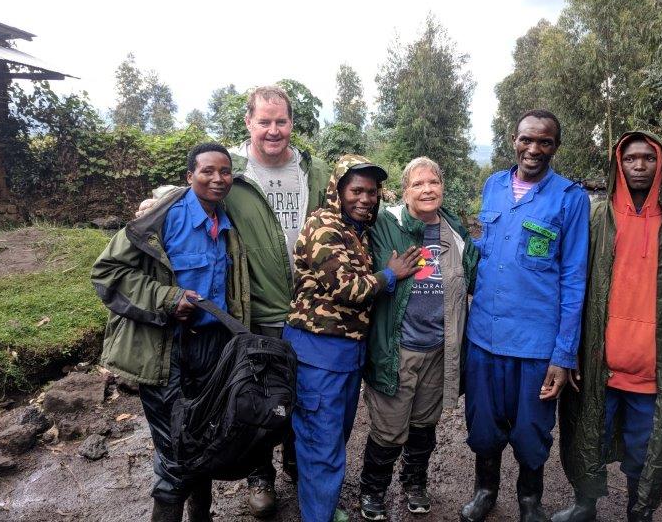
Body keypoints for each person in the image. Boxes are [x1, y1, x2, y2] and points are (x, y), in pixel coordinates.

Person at [138, 85, 329, 517]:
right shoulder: (234, 172)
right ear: (249, 123)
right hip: (251, 310)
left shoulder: (314, 173)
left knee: (303, 391)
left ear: (292, 123)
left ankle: (299, 466)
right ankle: (259, 474)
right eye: (264, 121)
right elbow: (193, 188)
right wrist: (158, 200)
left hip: (308, 308)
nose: (273, 130)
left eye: (281, 121)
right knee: (252, 394)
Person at [555, 131, 662, 522]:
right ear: (617, 165)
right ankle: (584, 504)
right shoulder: (595, 217)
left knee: (646, 452)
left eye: (648, 158)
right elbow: (571, 285)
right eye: (630, 159)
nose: (639, 166)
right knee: (586, 439)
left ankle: (639, 511)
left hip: (651, 370)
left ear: (660, 164)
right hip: (597, 364)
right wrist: (568, 349)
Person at [92, 143, 249, 522]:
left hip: (213, 350)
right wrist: (167, 298)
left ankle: (201, 516)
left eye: (224, 171)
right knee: (177, 448)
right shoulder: (162, 218)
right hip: (167, 351)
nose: (217, 178)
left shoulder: (225, 222)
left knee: (204, 438)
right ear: (189, 176)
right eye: (207, 171)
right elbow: (107, 272)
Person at [460, 109, 590, 522]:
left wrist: (563, 354)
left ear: (555, 146)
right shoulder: (493, 185)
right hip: (485, 335)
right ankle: (485, 490)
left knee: (532, 429)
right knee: (483, 423)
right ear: (513, 139)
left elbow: (574, 279)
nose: (533, 149)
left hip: (536, 343)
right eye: (526, 140)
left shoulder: (570, 198)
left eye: (544, 142)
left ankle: (529, 499)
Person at [283, 154, 421, 522]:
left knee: (333, 438)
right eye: (356, 190)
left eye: (372, 192)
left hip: (346, 354)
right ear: (337, 191)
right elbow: (345, 288)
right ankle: (319, 516)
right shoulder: (324, 226)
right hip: (318, 354)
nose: (366, 198)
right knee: (321, 443)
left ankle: (321, 506)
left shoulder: (355, 230)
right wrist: (390, 275)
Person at [358, 157, 479, 520]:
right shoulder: (385, 225)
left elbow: (474, 277)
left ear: (442, 186)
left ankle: (415, 482)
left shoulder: (454, 231)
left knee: (424, 424)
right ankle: (373, 490)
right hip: (398, 348)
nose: (427, 189)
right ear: (405, 190)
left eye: (434, 182)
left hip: (440, 349)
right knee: (388, 428)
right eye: (418, 184)